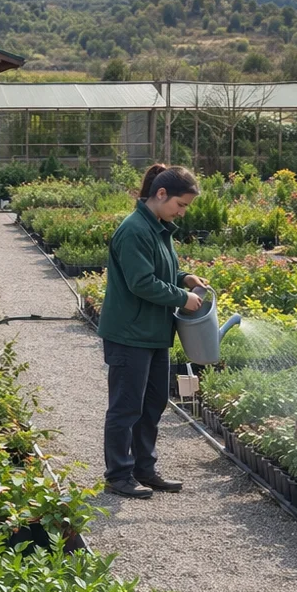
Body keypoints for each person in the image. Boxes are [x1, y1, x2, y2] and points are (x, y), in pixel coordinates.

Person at [96, 163, 208, 499]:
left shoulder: (158, 227)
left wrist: (183, 277)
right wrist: (182, 297)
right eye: (181, 204)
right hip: (130, 334)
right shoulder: (134, 230)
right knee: (126, 406)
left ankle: (144, 469)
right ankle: (118, 475)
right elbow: (141, 282)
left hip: (154, 333)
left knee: (153, 403)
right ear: (161, 194)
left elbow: (160, 270)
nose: (183, 212)